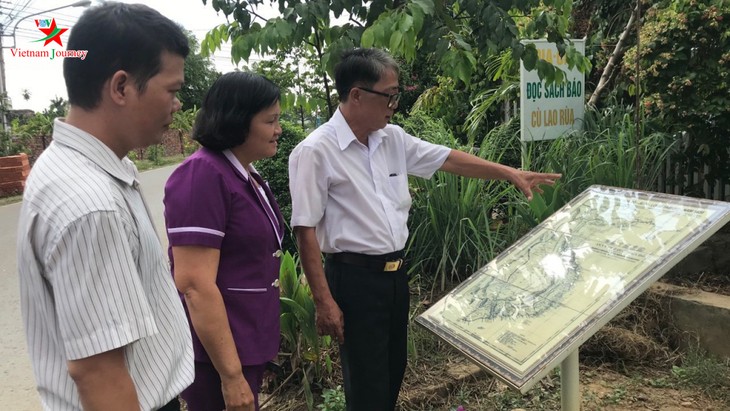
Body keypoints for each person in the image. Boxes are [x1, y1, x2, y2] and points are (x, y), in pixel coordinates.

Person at [288, 47, 561, 410]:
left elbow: (447, 158)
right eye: (389, 95)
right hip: (354, 281)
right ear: (356, 94)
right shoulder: (315, 151)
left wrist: (509, 173)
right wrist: (324, 301)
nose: (394, 104)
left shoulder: (393, 139)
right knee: (366, 385)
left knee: (392, 372)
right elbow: (305, 229)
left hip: (395, 277)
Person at [16, 3, 194, 411]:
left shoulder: (87, 167)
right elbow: (98, 372)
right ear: (121, 87)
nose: (178, 105)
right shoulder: (89, 202)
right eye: (172, 90)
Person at [163, 71, 284, 411]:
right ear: (237, 122)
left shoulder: (244, 173)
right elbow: (194, 283)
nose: (279, 130)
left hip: (245, 338)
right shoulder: (202, 175)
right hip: (217, 355)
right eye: (270, 120)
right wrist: (231, 376)